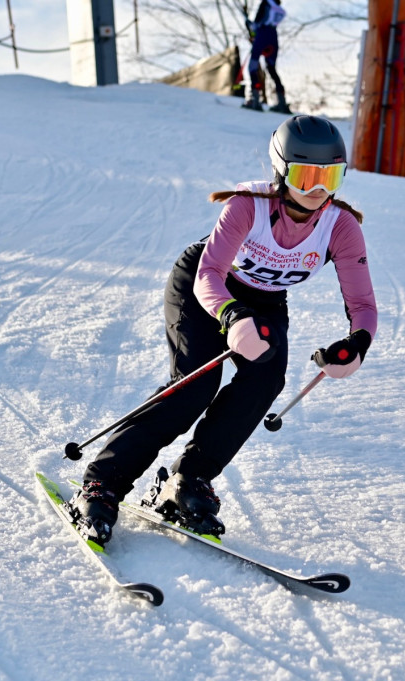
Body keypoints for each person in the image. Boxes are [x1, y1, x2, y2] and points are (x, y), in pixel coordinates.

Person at [68, 115, 377, 545]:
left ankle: (188, 480)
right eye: (306, 177)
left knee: (264, 381)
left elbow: (362, 305)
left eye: (331, 177)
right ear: (281, 170)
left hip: (264, 301)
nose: (318, 190)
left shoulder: (340, 227)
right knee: (195, 385)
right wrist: (231, 317)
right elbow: (209, 273)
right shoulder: (248, 206)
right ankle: (102, 482)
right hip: (203, 289)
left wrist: (356, 344)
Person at [244, 0, 290, 113]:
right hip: (273, 36)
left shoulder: (265, 3)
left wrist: (249, 24)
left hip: (262, 35)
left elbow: (257, 23)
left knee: (252, 66)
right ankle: (282, 103)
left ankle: (255, 100)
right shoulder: (279, 9)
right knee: (271, 68)